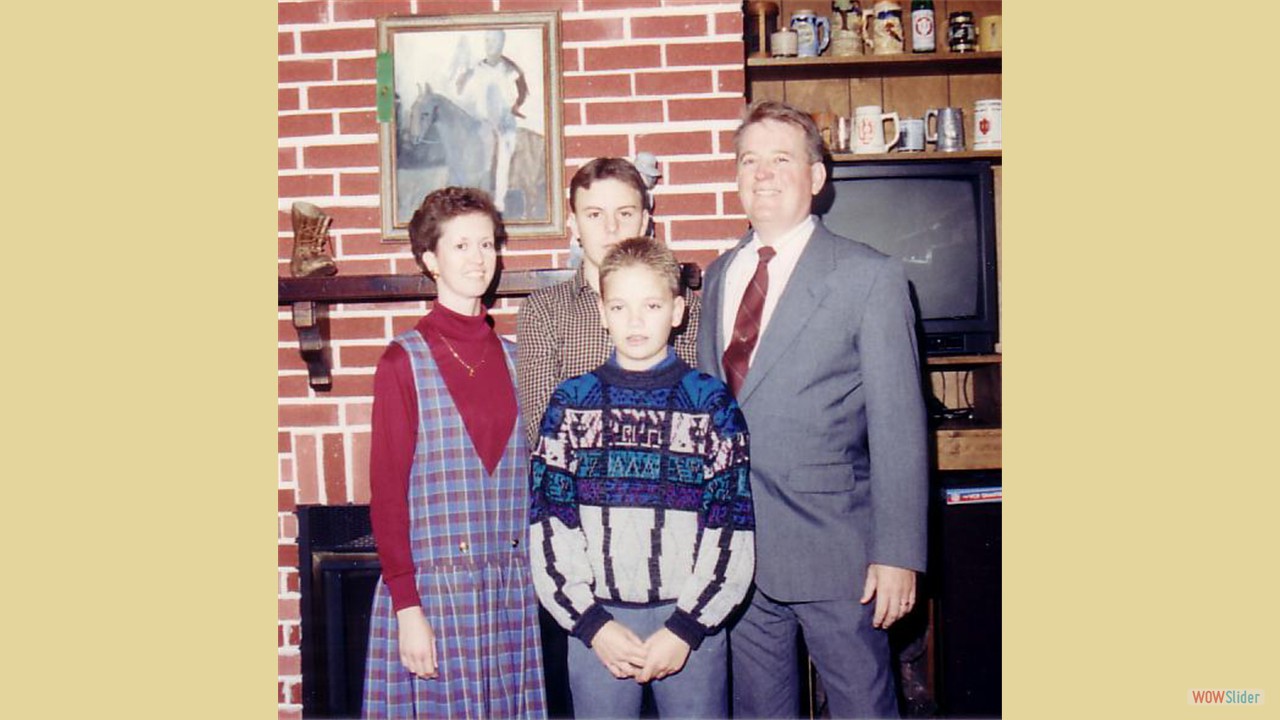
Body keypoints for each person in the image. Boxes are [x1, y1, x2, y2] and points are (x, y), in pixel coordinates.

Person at [696, 100, 929, 718]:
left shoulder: (868, 277)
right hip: (738, 554)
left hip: (837, 552)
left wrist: (899, 553)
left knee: (861, 708)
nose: (762, 174)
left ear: (816, 177)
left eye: (781, 159)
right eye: (750, 160)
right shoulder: (718, 276)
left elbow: (900, 427)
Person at [528, 237, 755, 719]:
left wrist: (688, 628)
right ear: (603, 312)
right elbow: (550, 524)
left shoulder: (711, 404)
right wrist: (591, 625)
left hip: (691, 625)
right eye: (620, 306)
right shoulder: (571, 404)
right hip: (599, 626)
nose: (634, 321)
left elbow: (730, 526)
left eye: (651, 305)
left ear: (677, 310)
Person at [362, 187, 546, 719]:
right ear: (430, 260)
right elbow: (388, 499)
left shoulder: (517, 361)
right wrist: (408, 609)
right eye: (461, 245)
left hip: (509, 597)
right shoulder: (402, 362)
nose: (478, 259)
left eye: (486, 244)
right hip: (434, 600)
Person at [517, 157, 700, 449]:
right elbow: (544, 431)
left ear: (643, 222)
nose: (611, 227)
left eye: (624, 214)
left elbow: (697, 418)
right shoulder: (544, 311)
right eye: (594, 215)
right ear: (574, 225)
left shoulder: (682, 306)